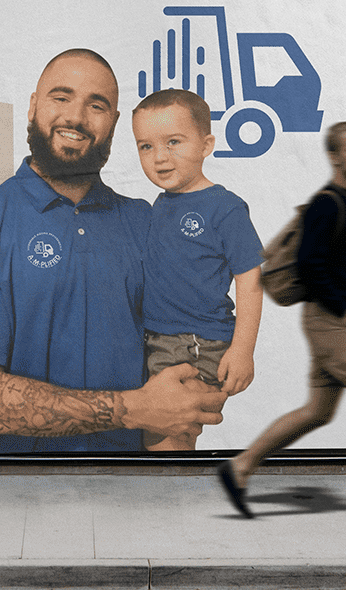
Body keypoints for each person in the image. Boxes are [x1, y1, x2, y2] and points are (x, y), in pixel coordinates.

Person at [0, 48, 227, 453]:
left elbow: (190, 336)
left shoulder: (151, 223)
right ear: (34, 105)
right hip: (22, 495)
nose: (76, 116)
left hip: (137, 488)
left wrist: (191, 401)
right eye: (61, 97)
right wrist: (133, 409)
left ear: (115, 124)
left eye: (97, 105)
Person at [219, 121, 346, 522]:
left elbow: (330, 258)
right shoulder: (326, 203)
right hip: (334, 321)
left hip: (328, 319)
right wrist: (341, 305)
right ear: (334, 156)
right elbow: (310, 265)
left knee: (318, 410)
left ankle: (240, 467)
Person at [132, 89, 263, 452]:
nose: (160, 158)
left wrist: (242, 350)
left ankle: (171, 505)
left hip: (194, 343)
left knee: (167, 436)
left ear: (206, 145)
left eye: (174, 142)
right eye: (146, 146)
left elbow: (250, 281)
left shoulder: (225, 207)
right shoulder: (158, 205)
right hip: (156, 337)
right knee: (152, 432)